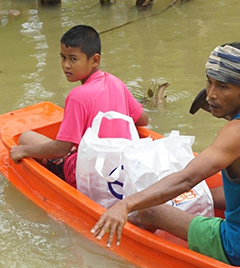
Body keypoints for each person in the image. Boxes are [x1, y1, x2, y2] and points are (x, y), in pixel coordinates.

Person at [91, 42, 240, 266]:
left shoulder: (238, 131)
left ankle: (140, 254)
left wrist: (126, 205)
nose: (211, 94)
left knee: (147, 209)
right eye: (209, 83)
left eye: (223, 87)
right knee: (213, 193)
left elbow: (187, 179)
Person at [10, 25, 149, 187]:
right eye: (63, 57)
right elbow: (143, 120)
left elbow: (61, 149)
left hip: (87, 175)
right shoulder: (117, 83)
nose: (66, 65)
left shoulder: (77, 96)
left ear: (95, 60)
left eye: (73, 59)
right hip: (122, 168)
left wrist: (23, 151)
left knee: (25, 137)